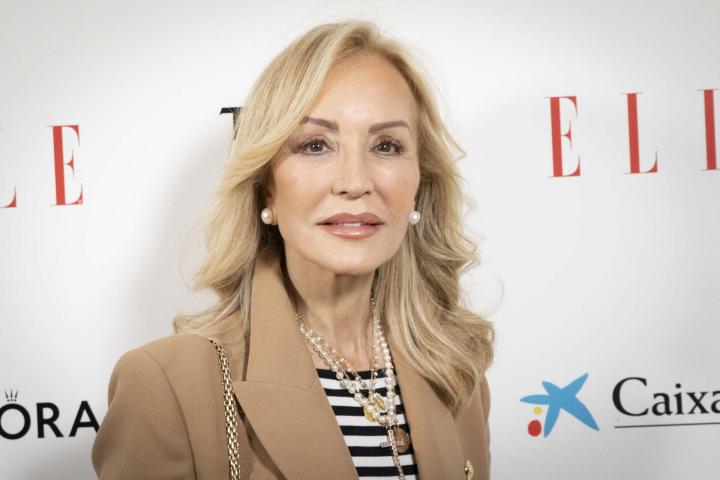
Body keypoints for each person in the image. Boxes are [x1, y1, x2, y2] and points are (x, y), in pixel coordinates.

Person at [91, 19, 495, 480]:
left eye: (386, 146)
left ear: (420, 182)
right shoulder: (166, 384)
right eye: (315, 145)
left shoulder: (455, 371)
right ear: (267, 187)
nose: (355, 182)